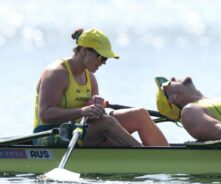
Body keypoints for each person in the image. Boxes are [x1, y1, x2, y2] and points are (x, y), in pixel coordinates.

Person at [33, 28, 168, 147]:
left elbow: (95, 118)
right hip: (48, 134)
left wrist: (96, 109)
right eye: (101, 57)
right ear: (85, 51)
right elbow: (45, 114)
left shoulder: (90, 78)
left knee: (139, 114)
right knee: (107, 123)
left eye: (105, 59)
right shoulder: (56, 73)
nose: (103, 63)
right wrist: (82, 111)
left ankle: (167, 157)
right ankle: (144, 155)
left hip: (79, 130)